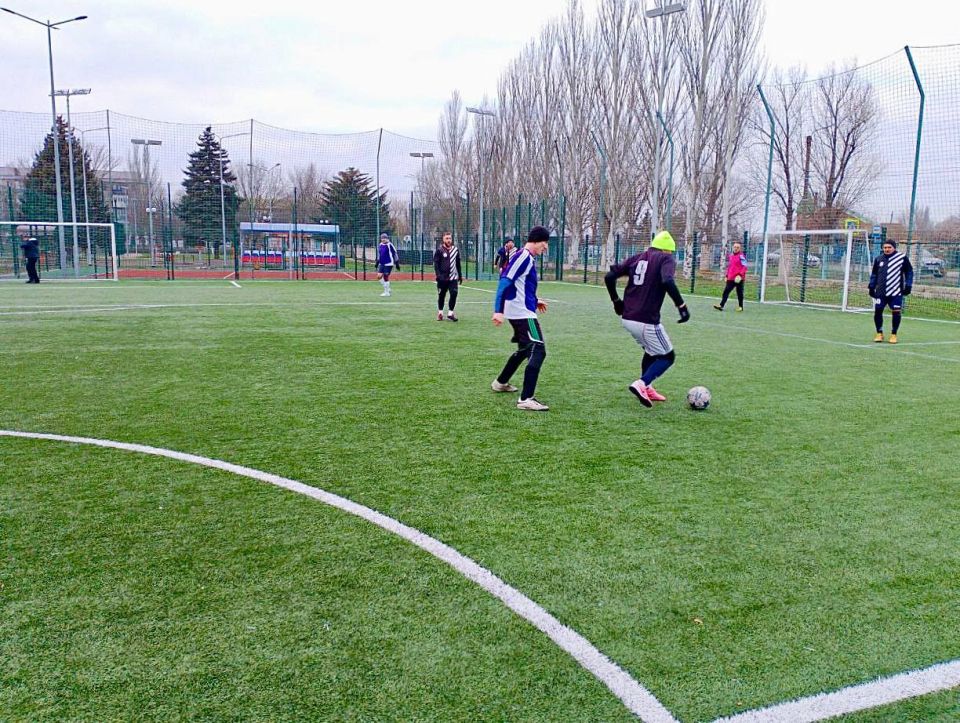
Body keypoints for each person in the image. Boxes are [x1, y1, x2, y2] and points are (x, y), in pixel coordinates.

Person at [604, 230, 690, 408]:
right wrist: (681, 306)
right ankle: (641, 383)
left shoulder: (637, 258)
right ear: (667, 250)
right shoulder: (666, 258)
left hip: (628, 318)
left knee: (651, 351)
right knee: (667, 357)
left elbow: (609, 276)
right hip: (646, 320)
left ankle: (648, 387)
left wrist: (616, 301)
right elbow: (667, 280)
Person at [491, 226, 551, 411]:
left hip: (520, 311)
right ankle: (526, 399)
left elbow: (520, 285)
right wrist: (498, 310)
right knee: (539, 350)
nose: (546, 247)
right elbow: (505, 281)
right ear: (537, 241)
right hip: (523, 315)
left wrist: (535, 300)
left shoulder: (527, 258)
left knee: (525, 350)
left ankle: (500, 382)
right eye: (545, 243)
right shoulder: (523, 256)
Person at [869, 239, 913, 344]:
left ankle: (894, 334)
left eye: (889, 247)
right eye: (885, 247)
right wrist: (871, 287)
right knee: (878, 311)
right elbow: (874, 274)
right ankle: (879, 333)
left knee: (896, 312)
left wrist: (908, 285)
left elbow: (909, 272)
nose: (887, 249)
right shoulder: (878, 259)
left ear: (894, 248)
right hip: (881, 292)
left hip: (896, 292)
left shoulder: (902, 258)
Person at [433, 232, 463, 321]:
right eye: (447, 238)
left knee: (454, 293)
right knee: (441, 295)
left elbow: (458, 263)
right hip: (442, 278)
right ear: (443, 239)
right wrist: (438, 275)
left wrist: (460, 275)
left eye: (450, 238)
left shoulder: (455, 250)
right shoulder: (439, 250)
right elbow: (436, 264)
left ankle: (450, 313)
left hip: (453, 278)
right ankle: (440, 313)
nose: (449, 240)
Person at [714, 241, 748, 312]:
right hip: (731, 278)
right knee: (726, 291)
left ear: (740, 249)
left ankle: (740, 307)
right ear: (733, 247)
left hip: (739, 278)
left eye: (737, 247)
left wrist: (740, 275)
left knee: (739, 293)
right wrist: (727, 275)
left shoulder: (741, 256)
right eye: (735, 247)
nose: (736, 248)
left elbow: (745, 266)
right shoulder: (731, 256)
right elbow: (730, 267)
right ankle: (721, 306)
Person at [376, 233, 399, 297]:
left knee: (385, 276)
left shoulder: (390, 245)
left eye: (384, 238)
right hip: (382, 263)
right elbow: (380, 254)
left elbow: (395, 254)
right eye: (382, 238)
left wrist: (397, 263)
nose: (383, 239)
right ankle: (387, 288)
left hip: (389, 263)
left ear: (387, 238)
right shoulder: (380, 244)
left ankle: (387, 293)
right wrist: (377, 262)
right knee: (379, 276)